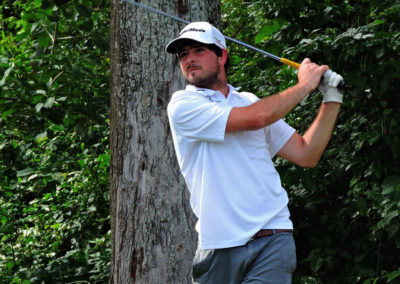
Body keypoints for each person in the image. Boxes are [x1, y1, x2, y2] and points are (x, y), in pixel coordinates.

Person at [165, 22, 343, 284]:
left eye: (198, 50)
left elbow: (306, 153)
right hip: (219, 244)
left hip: (272, 237)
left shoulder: (249, 101)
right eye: (183, 54)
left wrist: (332, 99)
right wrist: (305, 85)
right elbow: (257, 118)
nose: (189, 59)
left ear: (222, 55)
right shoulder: (183, 105)